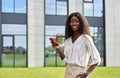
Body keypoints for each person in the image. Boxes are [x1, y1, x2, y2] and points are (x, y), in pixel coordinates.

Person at [50, 12, 101, 78]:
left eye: (76, 21)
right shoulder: (68, 40)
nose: (74, 23)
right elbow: (65, 61)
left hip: (80, 74)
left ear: (81, 23)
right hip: (68, 73)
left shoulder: (86, 38)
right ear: (69, 24)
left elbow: (97, 59)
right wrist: (58, 48)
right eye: (71, 22)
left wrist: (86, 74)